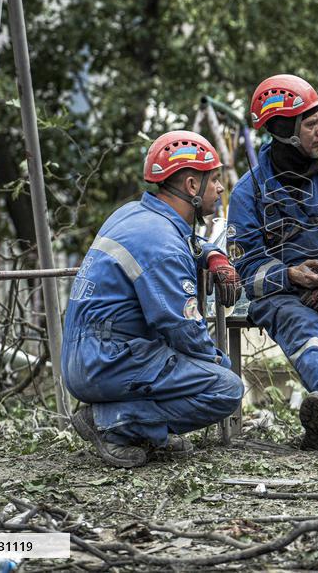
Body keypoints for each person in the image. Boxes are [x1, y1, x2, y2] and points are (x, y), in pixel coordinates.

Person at [62, 130, 245, 468]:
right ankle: (115, 422)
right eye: (214, 179)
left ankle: (143, 429)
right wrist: (219, 362)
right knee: (226, 388)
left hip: (89, 354)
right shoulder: (161, 243)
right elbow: (184, 329)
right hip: (109, 360)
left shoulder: (134, 215)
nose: (220, 188)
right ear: (192, 186)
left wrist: (213, 254)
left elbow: (183, 242)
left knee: (202, 371)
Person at [227, 74, 318, 450]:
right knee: (299, 325)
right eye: (311, 124)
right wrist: (290, 276)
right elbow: (248, 271)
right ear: (285, 131)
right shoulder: (249, 192)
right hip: (283, 297)